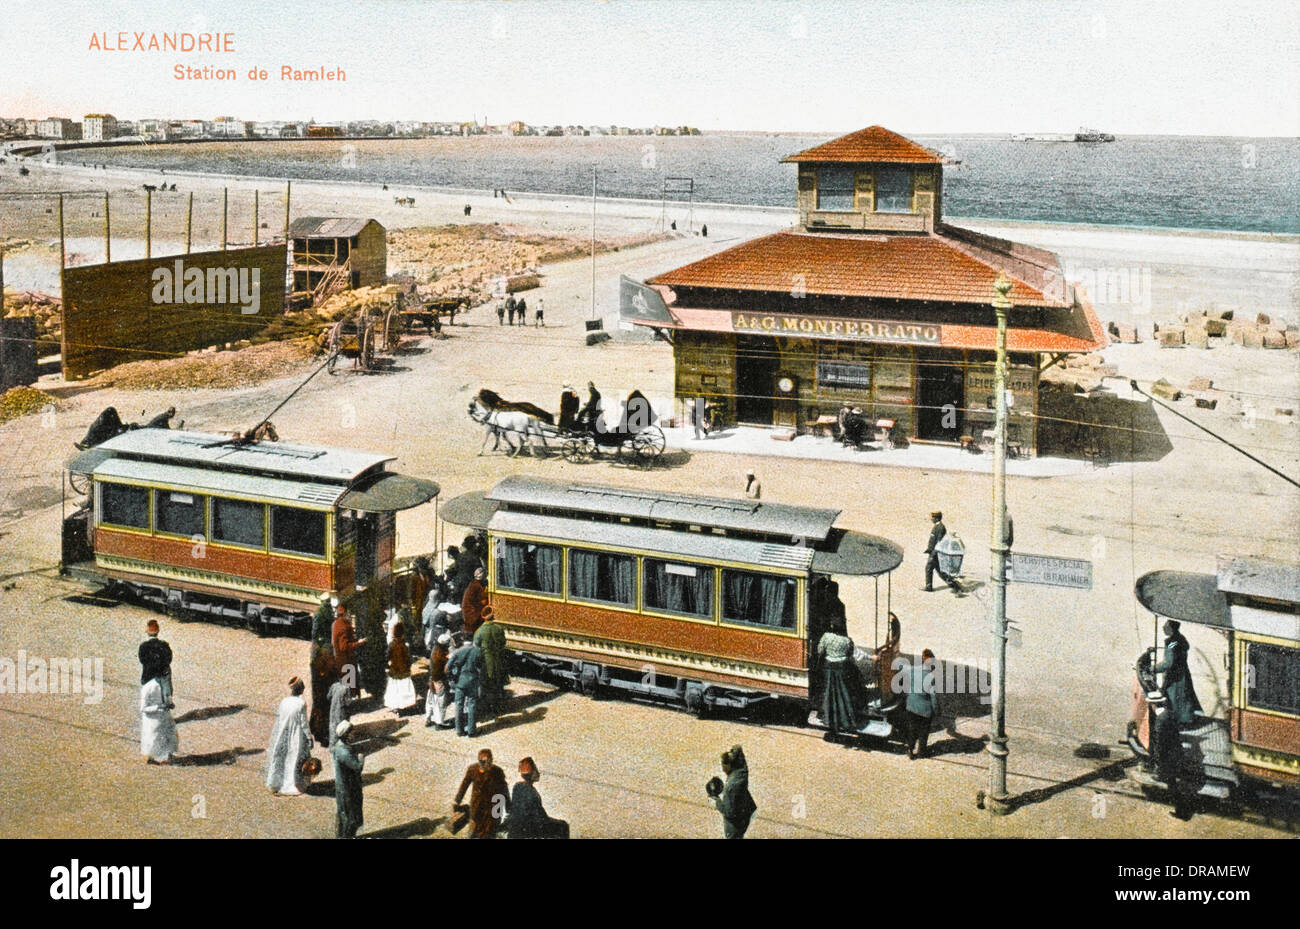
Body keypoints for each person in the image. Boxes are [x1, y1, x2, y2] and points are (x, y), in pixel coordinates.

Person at [1151, 620, 1203, 820]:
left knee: (1177, 701)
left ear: (1171, 628)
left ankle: (1183, 810)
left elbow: (1169, 663)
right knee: (1183, 700)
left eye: (1166, 626)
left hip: (1175, 678)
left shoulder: (1172, 643)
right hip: (1181, 676)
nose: (1164, 628)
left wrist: (1155, 669)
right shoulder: (1180, 640)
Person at [266, 677, 314, 795]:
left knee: (281, 757)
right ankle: (293, 785)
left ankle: (276, 783)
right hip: (296, 735)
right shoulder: (301, 703)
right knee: (295, 759)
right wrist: (309, 737)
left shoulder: (284, 701)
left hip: (283, 732)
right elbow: (304, 724)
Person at [817, 616, 861, 742]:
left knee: (830, 697)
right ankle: (847, 722)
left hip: (829, 669)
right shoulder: (847, 640)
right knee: (844, 696)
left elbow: (820, 651)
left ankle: (831, 724)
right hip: (842, 669)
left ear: (832, 626)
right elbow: (851, 654)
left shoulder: (826, 637)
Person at [453, 748, 510, 838]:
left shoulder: (497, 772)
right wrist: (457, 801)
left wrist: (508, 807)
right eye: (483, 762)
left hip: (493, 808)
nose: (486, 764)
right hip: (477, 806)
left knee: (489, 832)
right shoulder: (473, 770)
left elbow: (504, 789)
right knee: (475, 830)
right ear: (479, 761)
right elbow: (464, 785)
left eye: (489, 761)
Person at [507, 757, 569, 838]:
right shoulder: (531, 792)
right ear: (532, 773)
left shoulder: (518, 787)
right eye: (535, 770)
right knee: (563, 826)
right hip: (532, 827)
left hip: (519, 826)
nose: (538, 773)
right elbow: (539, 815)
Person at [711, 745, 756, 839]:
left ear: (729, 766)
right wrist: (734, 752)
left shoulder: (731, 788)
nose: (722, 769)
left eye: (723, 765)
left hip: (735, 825)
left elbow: (730, 812)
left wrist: (716, 801)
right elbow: (740, 755)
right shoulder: (742, 772)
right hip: (746, 810)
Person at [903, 649, 940, 759]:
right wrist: (936, 710)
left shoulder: (913, 670)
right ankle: (921, 752)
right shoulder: (931, 677)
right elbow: (933, 697)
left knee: (912, 729)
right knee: (923, 732)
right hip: (924, 710)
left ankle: (910, 749)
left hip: (911, 705)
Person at [331, 720, 365, 838]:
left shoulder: (339, 746)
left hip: (344, 786)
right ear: (346, 734)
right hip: (348, 788)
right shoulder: (344, 752)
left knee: (344, 815)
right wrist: (361, 758)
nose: (354, 734)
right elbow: (357, 767)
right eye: (351, 732)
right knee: (350, 816)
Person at [447, 637, 485, 737]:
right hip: (473, 681)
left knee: (459, 705)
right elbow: (481, 667)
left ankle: (459, 730)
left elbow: (448, 667)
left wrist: (452, 677)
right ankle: (472, 731)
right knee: (471, 705)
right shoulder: (477, 651)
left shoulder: (458, 651)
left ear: (463, 640)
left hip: (460, 682)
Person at [473, 606, 508, 712]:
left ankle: (487, 706)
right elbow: (503, 643)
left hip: (486, 662)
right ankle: (498, 706)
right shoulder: (499, 629)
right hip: (498, 660)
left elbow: (476, 647)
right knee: (498, 684)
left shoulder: (479, 631)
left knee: (487, 684)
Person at [139, 674, 178, 764]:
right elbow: (143, 708)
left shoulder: (165, 685)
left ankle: (169, 755)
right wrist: (158, 707)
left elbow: (167, 697)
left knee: (170, 735)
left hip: (165, 716)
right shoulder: (148, 688)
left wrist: (170, 704)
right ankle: (149, 758)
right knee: (153, 740)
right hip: (153, 720)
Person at [332, 606, 366, 697]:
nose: (350, 615)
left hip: (343, 659)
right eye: (349, 613)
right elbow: (344, 646)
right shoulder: (342, 626)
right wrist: (358, 643)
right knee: (348, 687)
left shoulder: (337, 623)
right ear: (345, 614)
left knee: (347, 685)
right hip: (346, 660)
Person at [138, 619, 174, 708]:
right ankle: (168, 699)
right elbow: (169, 658)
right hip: (162, 673)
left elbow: (142, 660)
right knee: (167, 673)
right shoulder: (164, 645)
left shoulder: (143, 646)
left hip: (149, 674)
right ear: (158, 631)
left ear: (147, 631)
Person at [384, 623, 418, 714]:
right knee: (404, 689)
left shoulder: (391, 644)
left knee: (394, 690)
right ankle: (404, 706)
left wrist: (387, 666)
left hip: (394, 670)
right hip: (404, 670)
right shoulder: (405, 645)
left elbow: (387, 656)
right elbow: (408, 659)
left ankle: (395, 706)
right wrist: (408, 666)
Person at [923, 511, 960, 593]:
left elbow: (940, 542)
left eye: (932, 517)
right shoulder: (937, 526)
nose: (931, 519)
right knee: (941, 572)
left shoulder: (940, 527)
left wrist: (934, 552)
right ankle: (955, 585)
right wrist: (929, 549)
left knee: (929, 568)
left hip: (936, 552)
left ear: (936, 518)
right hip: (934, 552)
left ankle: (929, 587)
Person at [425, 632, 455, 729]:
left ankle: (428, 718)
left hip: (432, 678)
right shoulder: (440, 655)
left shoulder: (435, 650)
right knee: (441, 701)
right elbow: (446, 667)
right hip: (439, 680)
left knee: (430, 700)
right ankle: (440, 722)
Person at [873, 612, 902, 697]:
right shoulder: (890, 632)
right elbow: (888, 643)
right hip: (890, 655)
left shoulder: (896, 634)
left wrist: (881, 648)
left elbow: (891, 643)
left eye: (891, 623)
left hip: (893, 655)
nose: (890, 624)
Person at [461, 566, 489, 637]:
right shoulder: (475, 586)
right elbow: (473, 600)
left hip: (475, 610)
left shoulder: (478, 584)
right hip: (473, 612)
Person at [327, 674, 352, 746]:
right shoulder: (346, 688)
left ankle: (333, 748)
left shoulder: (334, 686)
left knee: (333, 729)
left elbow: (328, 697)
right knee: (342, 729)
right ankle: (342, 747)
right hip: (341, 712)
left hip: (333, 711)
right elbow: (348, 703)